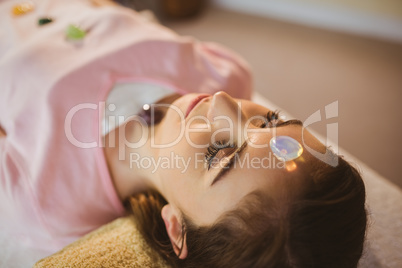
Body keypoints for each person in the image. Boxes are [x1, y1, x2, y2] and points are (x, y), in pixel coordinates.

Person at [0, 0, 366, 267]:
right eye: (270, 120)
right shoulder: (226, 73)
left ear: (177, 229)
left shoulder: (47, 202)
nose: (224, 103)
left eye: (220, 155)